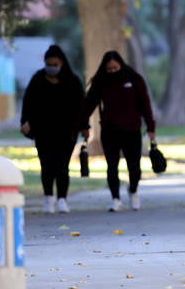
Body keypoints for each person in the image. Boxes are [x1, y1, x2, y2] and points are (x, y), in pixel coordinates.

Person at [78, 50, 156, 212]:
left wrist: (150, 126)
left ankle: (133, 190)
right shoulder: (100, 82)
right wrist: (83, 124)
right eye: (109, 69)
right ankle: (115, 198)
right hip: (109, 129)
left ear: (121, 64)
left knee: (135, 167)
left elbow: (145, 104)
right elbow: (89, 105)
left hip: (132, 129)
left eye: (115, 68)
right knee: (112, 166)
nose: (113, 71)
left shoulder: (134, 80)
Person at [20, 45, 85, 213]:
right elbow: (28, 102)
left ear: (62, 63)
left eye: (55, 64)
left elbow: (81, 106)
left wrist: (84, 127)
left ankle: (62, 199)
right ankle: (48, 198)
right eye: (48, 64)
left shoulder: (72, 81)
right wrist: (25, 122)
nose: (51, 68)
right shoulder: (38, 79)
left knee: (62, 165)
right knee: (46, 165)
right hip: (43, 131)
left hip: (67, 132)